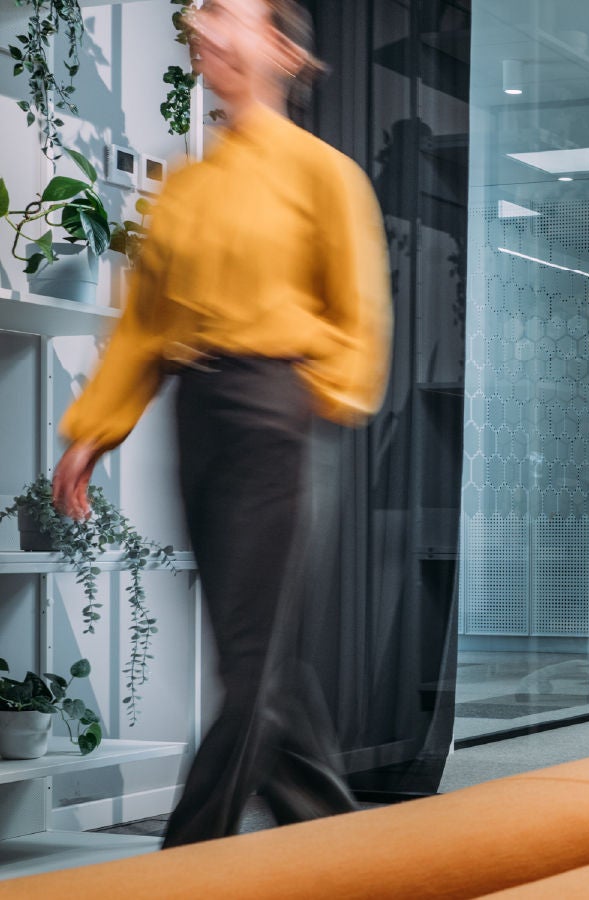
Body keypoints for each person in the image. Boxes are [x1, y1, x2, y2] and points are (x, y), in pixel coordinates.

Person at [50, 0, 391, 846]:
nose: (202, 27)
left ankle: (182, 861)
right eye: (199, 14)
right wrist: (93, 431)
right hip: (197, 419)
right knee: (263, 672)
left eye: (224, 12)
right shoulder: (186, 187)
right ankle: (355, 860)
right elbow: (143, 329)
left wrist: (316, 400)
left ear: (280, 48)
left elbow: (360, 315)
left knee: (253, 673)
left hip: (278, 411)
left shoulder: (325, 175)